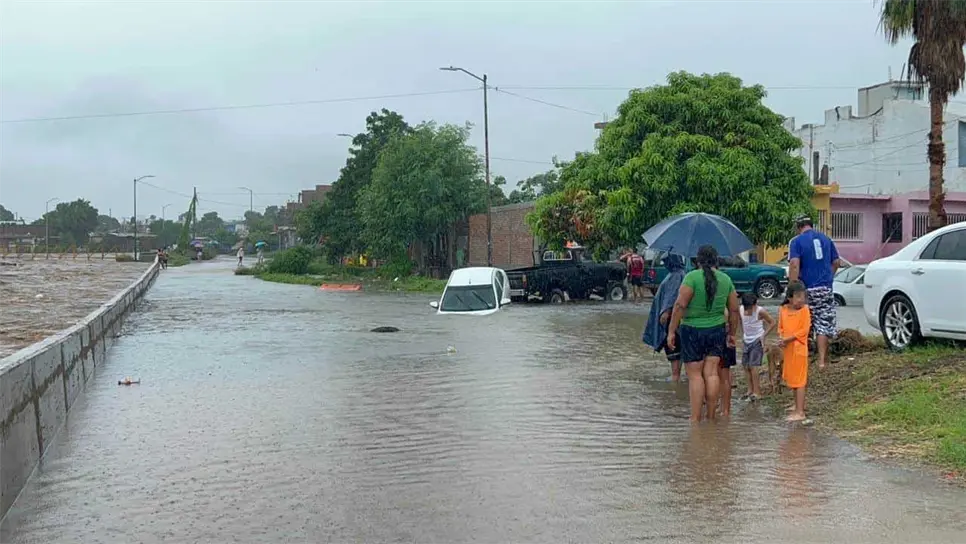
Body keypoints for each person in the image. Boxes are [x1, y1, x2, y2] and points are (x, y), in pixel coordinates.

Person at [667, 245, 740, 422]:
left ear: (697, 260)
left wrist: (671, 331)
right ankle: (711, 416)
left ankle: (695, 418)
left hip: (691, 330)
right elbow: (734, 310)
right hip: (717, 330)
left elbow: (679, 305)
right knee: (712, 373)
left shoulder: (691, 278)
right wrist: (732, 333)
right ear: (716, 260)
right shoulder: (725, 279)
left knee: (695, 376)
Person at [787, 215, 840, 370]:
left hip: (806, 289)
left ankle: (804, 357)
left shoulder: (796, 242)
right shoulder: (826, 239)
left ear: (799, 227)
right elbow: (836, 262)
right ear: (811, 225)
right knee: (823, 324)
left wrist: (792, 287)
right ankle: (822, 361)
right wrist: (829, 276)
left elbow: (795, 265)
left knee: (804, 323)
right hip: (825, 288)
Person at [642, 254, 687, 382]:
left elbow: (672, 296)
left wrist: (665, 312)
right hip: (676, 319)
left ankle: (675, 377)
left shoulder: (676, 276)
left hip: (672, 319)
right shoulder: (678, 274)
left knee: (673, 347)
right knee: (677, 347)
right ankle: (677, 376)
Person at [778, 280, 811, 422]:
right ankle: (796, 404)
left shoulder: (805, 310)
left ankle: (800, 411)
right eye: (797, 297)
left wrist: (788, 339)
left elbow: (804, 331)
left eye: (803, 296)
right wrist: (781, 337)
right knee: (792, 378)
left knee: (800, 381)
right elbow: (780, 327)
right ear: (790, 298)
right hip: (788, 350)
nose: (801, 300)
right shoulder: (783, 310)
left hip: (799, 349)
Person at [737, 292, 775, 402]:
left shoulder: (760, 311)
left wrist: (763, 336)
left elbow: (772, 322)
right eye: (747, 308)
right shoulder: (740, 310)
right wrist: (742, 336)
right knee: (746, 366)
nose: (749, 310)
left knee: (754, 366)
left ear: (755, 304)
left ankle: (757, 392)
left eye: (751, 307)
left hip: (757, 340)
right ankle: (749, 390)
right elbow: (741, 322)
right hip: (746, 340)